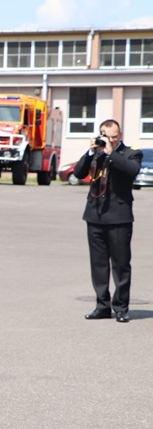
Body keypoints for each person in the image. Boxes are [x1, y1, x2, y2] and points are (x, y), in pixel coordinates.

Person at [72, 119, 142, 323]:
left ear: (120, 135)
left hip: (119, 217)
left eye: (115, 136)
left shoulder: (131, 153)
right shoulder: (97, 153)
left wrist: (111, 153)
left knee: (121, 265)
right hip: (95, 216)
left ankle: (120, 307)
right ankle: (102, 306)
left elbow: (131, 171)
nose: (111, 139)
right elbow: (78, 173)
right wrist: (91, 153)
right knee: (98, 264)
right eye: (107, 136)